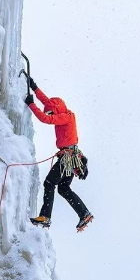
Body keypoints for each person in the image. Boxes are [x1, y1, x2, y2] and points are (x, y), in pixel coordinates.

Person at [24, 75, 93, 233]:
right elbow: (47, 101)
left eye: (52, 112)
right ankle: (84, 213)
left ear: (57, 110)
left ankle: (45, 217)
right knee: (63, 188)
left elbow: (45, 119)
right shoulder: (62, 111)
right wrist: (34, 87)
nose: (50, 113)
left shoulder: (65, 117)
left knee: (49, 183)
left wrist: (31, 104)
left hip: (68, 157)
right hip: (71, 156)